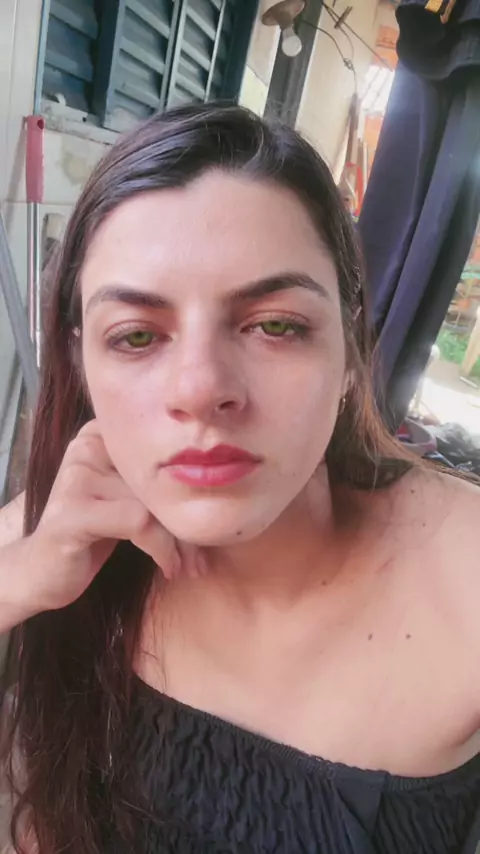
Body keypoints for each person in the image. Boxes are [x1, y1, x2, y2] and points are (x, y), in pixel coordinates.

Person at [0, 104, 479, 854]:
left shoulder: (462, 571)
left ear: (349, 348)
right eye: (136, 336)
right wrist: (23, 580)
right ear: (82, 361)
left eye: (276, 325)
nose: (201, 389)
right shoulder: (67, 519)